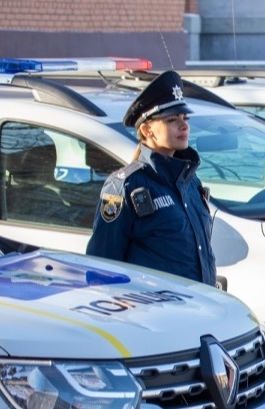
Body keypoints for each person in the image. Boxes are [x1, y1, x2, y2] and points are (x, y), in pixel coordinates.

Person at [86, 70, 217, 287]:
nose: (184, 125)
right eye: (172, 120)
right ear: (147, 130)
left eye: (185, 118)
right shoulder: (125, 185)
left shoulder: (190, 181)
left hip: (197, 304)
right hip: (154, 307)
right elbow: (102, 267)